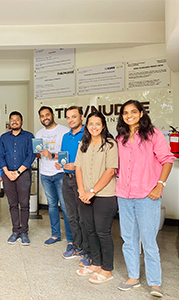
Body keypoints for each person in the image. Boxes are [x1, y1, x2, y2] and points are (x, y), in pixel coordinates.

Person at [116, 100, 174, 297]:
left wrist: (160, 185)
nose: (129, 115)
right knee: (128, 238)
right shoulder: (120, 138)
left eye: (133, 111)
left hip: (147, 194)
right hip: (124, 194)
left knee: (149, 240)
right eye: (125, 112)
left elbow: (167, 160)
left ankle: (154, 282)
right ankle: (133, 277)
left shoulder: (153, 134)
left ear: (141, 113)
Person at [74, 111, 118, 284]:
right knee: (90, 230)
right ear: (87, 126)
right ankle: (96, 263)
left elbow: (110, 171)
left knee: (102, 232)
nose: (94, 127)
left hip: (104, 196)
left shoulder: (110, 144)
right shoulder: (82, 144)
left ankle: (107, 270)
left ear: (103, 126)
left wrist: (92, 191)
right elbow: (78, 168)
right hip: (85, 195)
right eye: (91, 124)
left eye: (97, 124)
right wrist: (81, 191)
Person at [54, 106, 91, 266]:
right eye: (68, 117)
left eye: (74, 117)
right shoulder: (66, 136)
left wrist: (76, 167)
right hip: (66, 179)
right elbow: (64, 157)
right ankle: (77, 247)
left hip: (82, 180)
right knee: (71, 216)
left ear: (82, 117)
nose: (71, 120)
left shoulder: (88, 135)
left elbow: (91, 160)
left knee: (84, 217)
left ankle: (89, 251)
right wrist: (60, 164)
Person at [36, 106, 73, 248]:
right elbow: (38, 154)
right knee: (52, 206)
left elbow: (68, 153)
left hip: (60, 174)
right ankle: (55, 234)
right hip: (45, 174)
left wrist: (52, 155)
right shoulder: (39, 133)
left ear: (52, 115)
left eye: (47, 115)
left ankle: (70, 239)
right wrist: (38, 153)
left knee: (65, 206)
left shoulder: (64, 131)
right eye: (42, 116)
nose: (45, 118)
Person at [0, 111, 35, 245]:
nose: (14, 122)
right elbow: (0, 156)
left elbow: (31, 155)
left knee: (24, 204)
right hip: (7, 174)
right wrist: (7, 172)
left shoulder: (29, 136)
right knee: (12, 204)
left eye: (17, 120)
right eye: (12, 120)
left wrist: (18, 172)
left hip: (23, 174)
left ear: (21, 122)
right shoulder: (3, 137)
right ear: (9, 122)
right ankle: (15, 231)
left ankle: (24, 232)